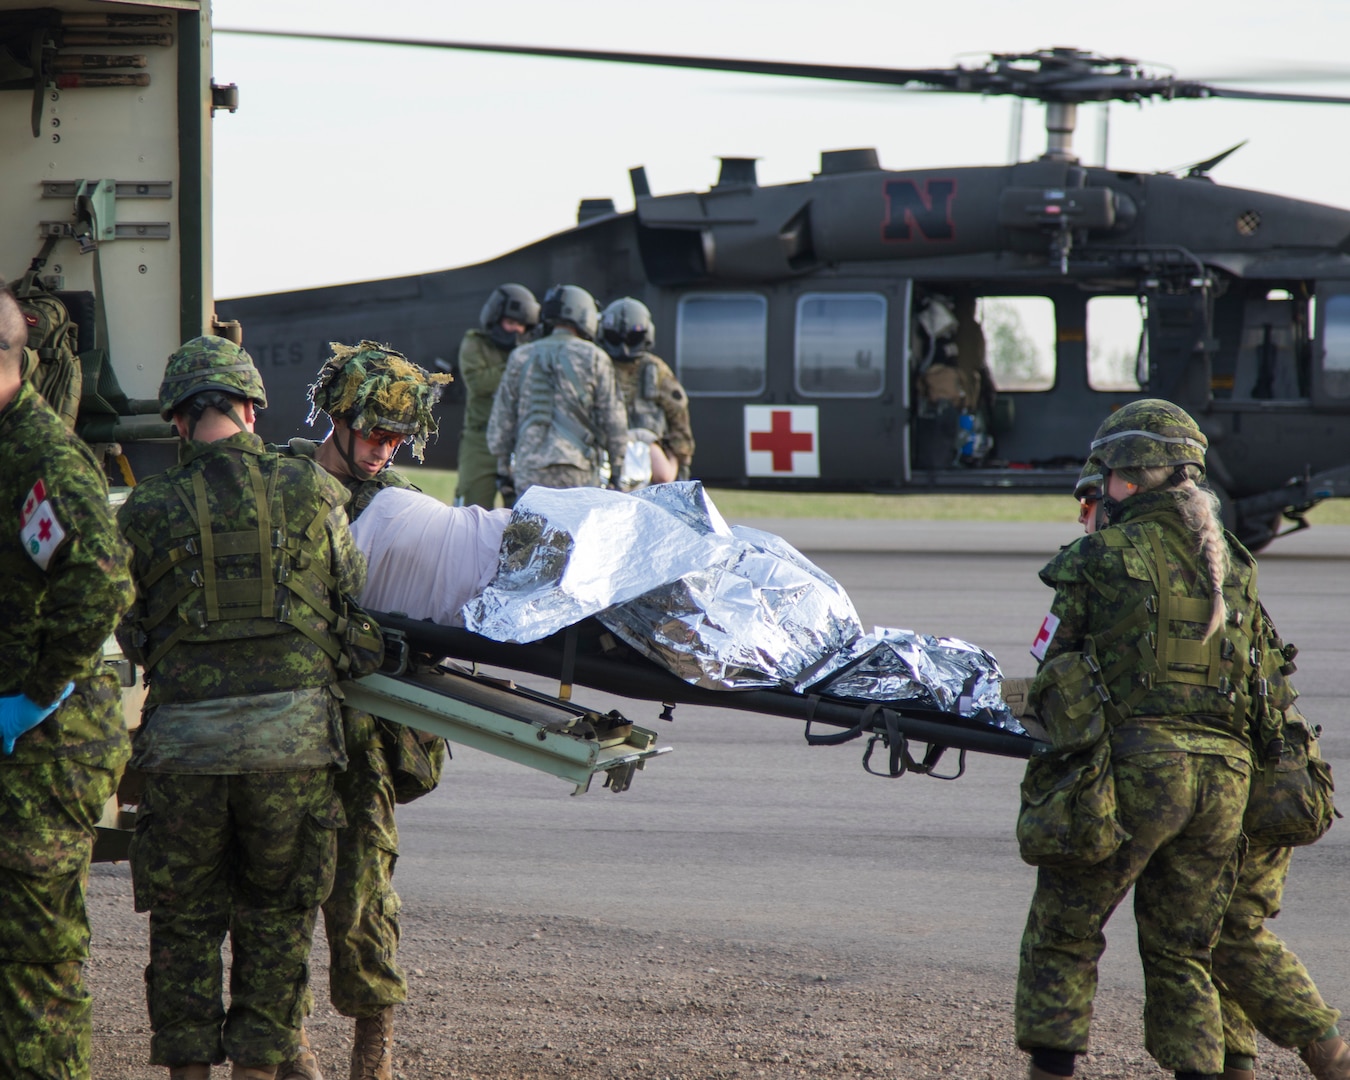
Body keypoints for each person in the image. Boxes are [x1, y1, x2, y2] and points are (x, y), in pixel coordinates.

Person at [116, 336, 365, 1080]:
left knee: (185, 921)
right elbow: (349, 598)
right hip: (292, 749)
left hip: (186, 752)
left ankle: (189, 1070)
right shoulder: (315, 491)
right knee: (277, 918)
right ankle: (261, 1068)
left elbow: (129, 627)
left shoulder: (148, 508)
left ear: (179, 422)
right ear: (252, 410)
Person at [1071, 460, 1349, 1080]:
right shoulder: (1197, 566)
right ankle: (1238, 1066)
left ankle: (1331, 1053)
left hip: (1257, 789)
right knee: (1204, 931)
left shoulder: (1142, 579)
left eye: (1090, 506)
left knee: (1220, 932)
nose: (1084, 520)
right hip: (1241, 780)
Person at [1016, 398, 1268, 1080]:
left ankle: (1052, 1070)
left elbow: (1054, 667)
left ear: (1129, 478)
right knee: (1184, 948)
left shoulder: (1100, 555)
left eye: (1109, 479)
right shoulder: (1236, 567)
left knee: (1065, 929)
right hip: (1224, 785)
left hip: (1139, 774)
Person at [280, 340, 453, 1080]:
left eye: (398, 438)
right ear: (339, 420)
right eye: (376, 434)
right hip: (283, 726)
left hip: (362, 737)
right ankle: (286, 1048)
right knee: (278, 893)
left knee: (364, 897)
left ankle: (373, 1055)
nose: (386, 450)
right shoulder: (279, 488)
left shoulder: (401, 509)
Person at [0, 277, 135, 1080]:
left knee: (32, 959)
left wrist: (34, 697)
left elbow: (100, 583)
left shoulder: (42, 458)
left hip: (43, 753)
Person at [486, 283, 627, 495]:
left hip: (530, 470)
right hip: (577, 469)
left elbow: (501, 421)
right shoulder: (595, 357)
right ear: (585, 314)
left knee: (531, 528)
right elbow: (614, 421)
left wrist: (503, 468)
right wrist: (617, 471)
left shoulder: (521, 356)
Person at [455, 284, 540, 508]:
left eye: (521, 326)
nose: (516, 331)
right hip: (481, 442)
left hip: (519, 443)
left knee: (526, 514)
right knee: (471, 509)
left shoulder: (532, 350)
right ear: (496, 318)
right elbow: (479, 383)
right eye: (511, 323)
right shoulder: (475, 343)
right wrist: (517, 361)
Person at [597, 297, 695, 484]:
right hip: (605, 451)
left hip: (649, 453)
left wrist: (681, 463)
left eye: (632, 338)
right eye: (616, 337)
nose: (624, 347)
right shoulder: (598, 364)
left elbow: (678, 417)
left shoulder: (655, 370)